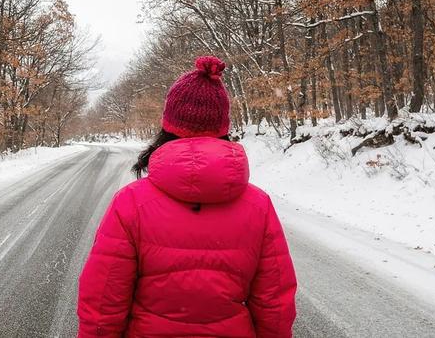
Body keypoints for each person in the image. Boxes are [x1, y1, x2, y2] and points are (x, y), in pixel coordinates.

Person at [77, 56, 297, 337]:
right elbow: (274, 304)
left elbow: (103, 301)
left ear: (167, 125)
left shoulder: (131, 202)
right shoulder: (258, 205)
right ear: (224, 127)